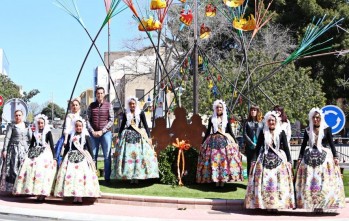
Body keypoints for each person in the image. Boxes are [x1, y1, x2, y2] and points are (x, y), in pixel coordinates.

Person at [295, 108, 345, 211]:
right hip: (310, 157)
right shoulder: (308, 130)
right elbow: (304, 144)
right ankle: (312, 204)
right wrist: (300, 158)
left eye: (317, 117)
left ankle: (323, 204)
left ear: (321, 118)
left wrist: (335, 157)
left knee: (324, 180)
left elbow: (331, 143)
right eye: (314, 117)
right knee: (311, 181)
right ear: (311, 118)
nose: (316, 119)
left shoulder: (327, 129)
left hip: (324, 157)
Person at [245, 111, 295, 210]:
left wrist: (289, 160)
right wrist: (253, 160)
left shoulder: (281, 132)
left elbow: (285, 147)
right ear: (267, 122)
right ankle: (266, 204)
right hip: (264, 158)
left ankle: (277, 204)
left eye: (273, 120)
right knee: (265, 182)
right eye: (269, 120)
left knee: (278, 183)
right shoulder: (263, 133)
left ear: (276, 121)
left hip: (279, 159)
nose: (271, 122)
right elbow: (258, 147)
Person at [196, 99, 242, 187]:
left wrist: (235, 142)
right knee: (214, 161)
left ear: (223, 108)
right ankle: (216, 180)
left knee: (224, 161)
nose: (219, 109)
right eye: (217, 107)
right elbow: (208, 131)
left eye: (220, 107)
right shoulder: (211, 119)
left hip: (225, 141)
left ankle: (223, 180)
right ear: (215, 108)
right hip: (213, 141)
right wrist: (202, 143)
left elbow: (230, 131)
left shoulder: (227, 119)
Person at [54, 117, 100, 204]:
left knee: (80, 177)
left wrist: (93, 159)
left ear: (82, 127)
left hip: (82, 159)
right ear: (74, 127)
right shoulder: (72, 136)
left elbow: (90, 148)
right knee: (72, 176)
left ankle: (80, 196)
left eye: (80, 126)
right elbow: (67, 148)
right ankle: (74, 196)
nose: (78, 128)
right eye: (77, 126)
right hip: (71, 158)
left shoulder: (86, 136)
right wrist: (63, 158)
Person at [113, 96, 159, 182]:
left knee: (139, 156)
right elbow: (122, 126)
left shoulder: (141, 113)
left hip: (139, 136)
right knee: (128, 157)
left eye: (133, 104)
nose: (132, 105)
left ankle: (138, 176)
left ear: (136, 104)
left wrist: (149, 137)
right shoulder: (125, 113)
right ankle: (129, 176)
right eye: (130, 104)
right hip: (127, 137)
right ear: (128, 105)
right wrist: (118, 137)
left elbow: (145, 125)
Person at [12, 114, 56, 201]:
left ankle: (42, 193)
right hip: (35, 152)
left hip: (45, 153)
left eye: (42, 123)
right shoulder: (35, 133)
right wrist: (26, 154)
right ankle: (35, 191)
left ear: (44, 123)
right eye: (39, 123)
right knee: (32, 171)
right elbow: (32, 144)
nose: (40, 125)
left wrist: (54, 158)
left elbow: (51, 145)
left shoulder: (48, 132)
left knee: (42, 172)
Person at [86, 87, 114, 185]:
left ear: (104, 94)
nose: (100, 95)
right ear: (95, 94)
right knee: (93, 156)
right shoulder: (91, 106)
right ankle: (94, 177)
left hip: (105, 133)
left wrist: (102, 131)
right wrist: (92, 131)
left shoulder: (109, 105)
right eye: (98, 93)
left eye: (101, 93)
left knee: (107, 156)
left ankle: (107, 178)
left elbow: (111, 120)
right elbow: (87, 120)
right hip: (93, 134)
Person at [0, 110, 32, 192]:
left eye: (19, 115)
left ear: (22, 116)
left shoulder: (27, 126)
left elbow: (31, 138)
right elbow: (7, 138)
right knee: (14, 168)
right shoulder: (11, 126)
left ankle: (23, 188)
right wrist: (4, 150)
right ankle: (14, 188)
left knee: (24, 167)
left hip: (25, 149)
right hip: (14, 149)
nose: (18, 117)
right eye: (16, 115)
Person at [243, 105, 263, 175]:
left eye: (254, 110)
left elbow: (263, 134)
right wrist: (251, 143)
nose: (253, 111)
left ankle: (258, 182)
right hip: (250, 147)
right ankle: (249, 183)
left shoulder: (261, 122)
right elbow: (245, 134)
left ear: (257, 111)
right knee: (250, 164)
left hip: (260, 147)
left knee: (259, 164)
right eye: (251, 110)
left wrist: (259, 144)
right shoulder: (246, 122)